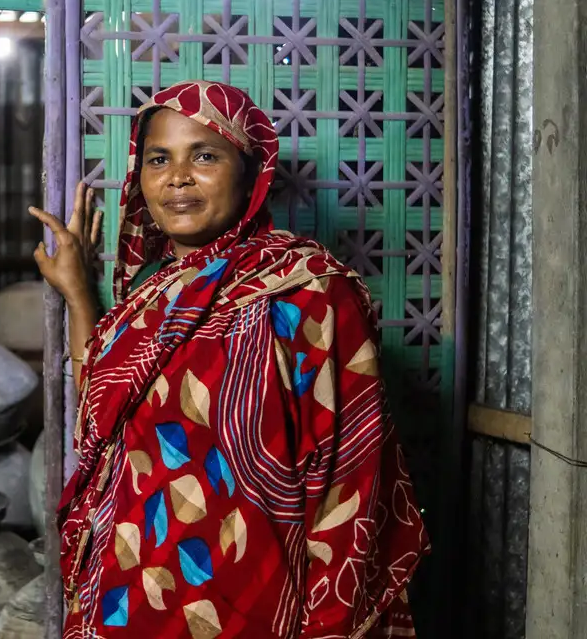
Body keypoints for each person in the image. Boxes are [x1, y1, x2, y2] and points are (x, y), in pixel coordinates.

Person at [29, 80, 429, 639]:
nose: (177, 177)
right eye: (158, 159)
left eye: (205, 155)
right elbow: (101, 409)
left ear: (251, 172)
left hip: (253, 590)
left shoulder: (307, 291)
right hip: (131, 586)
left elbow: (352, 468)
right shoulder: (149, 294)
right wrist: (77, 293)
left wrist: (332, 618)